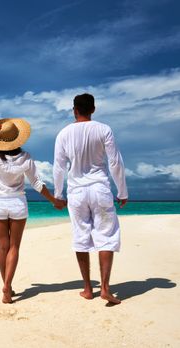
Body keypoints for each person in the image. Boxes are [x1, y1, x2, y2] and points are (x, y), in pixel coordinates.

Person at [0, 118, 66, 304]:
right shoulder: (26, 158)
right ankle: (7, 285)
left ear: (0, 140)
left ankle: (7, 287)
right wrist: (54, 201)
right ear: (18, 139)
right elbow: (37, 184)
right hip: (18, 204)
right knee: (14, 247)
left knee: (2, 247)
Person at [53, 93, 128, 305]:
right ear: (93, 109)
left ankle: (87, 289)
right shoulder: (103, 129)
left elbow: (59, 167)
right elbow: (115, 162)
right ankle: (104, 288)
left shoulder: (64, 133)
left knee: (80, 237)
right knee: (107, 236)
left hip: (76, 192)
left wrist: (58, 195)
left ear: (74, 110)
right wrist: (122, 191)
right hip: (99, 188)